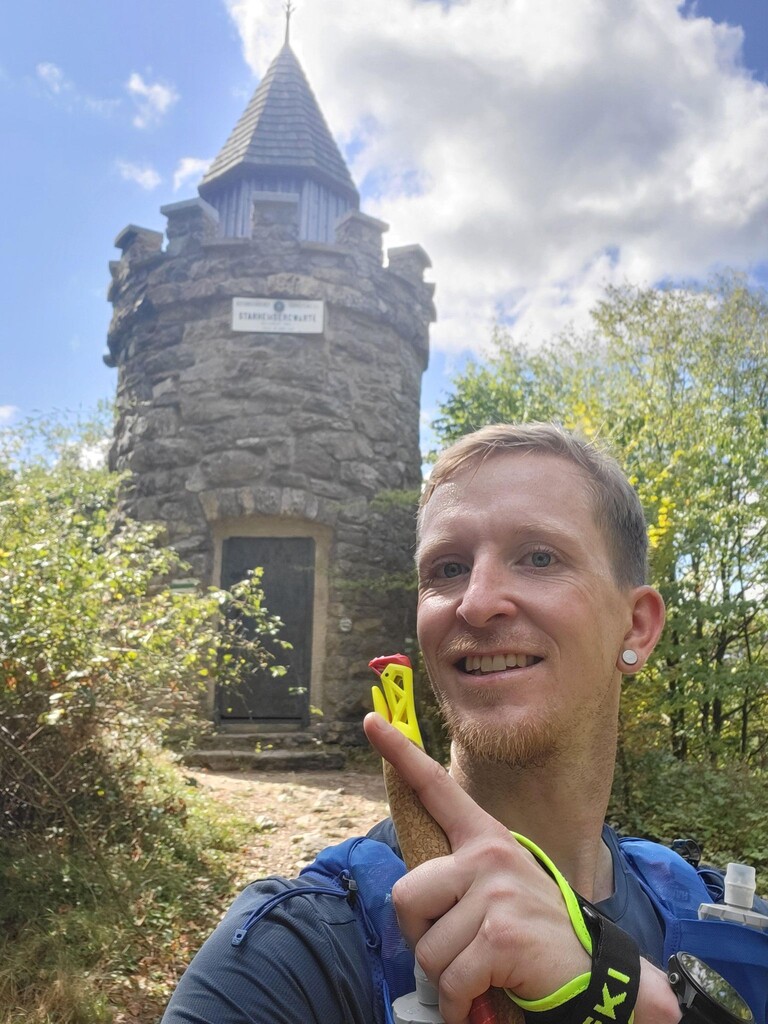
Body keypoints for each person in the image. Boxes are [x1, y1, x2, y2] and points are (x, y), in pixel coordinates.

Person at [161, 423, 766, 1024]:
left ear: (636, 626)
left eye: (539, 558)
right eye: (447, 568)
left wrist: (608, 992)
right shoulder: (296, 953)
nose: (476, 602)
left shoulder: (712, 916)